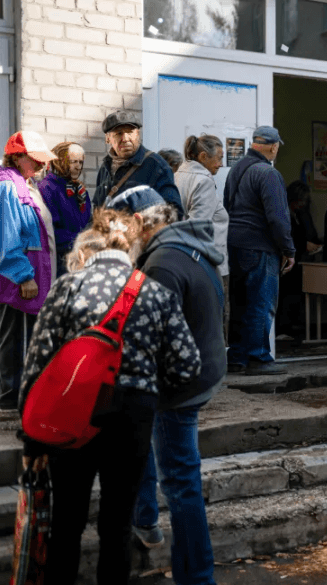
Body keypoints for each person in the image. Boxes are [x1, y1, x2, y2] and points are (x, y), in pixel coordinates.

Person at [17, 206, 201, 585]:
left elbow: (36, 362)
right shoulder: (154, 292)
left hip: (72, 413)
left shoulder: (68, 287)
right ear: (132, 245)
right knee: (117, 523)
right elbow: (187, 365)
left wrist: (31, 439)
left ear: (92, 243)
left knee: (66, 521)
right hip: (133, 416)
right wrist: (148, 380)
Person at [107, 186, 224, 585]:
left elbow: (153, 341)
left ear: (139, 221)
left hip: (179, 387)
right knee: (147, 448)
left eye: (121, 228)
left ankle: (197, 576)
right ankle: (146, 521)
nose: (118, 238)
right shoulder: (187, 245)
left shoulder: (160, 264)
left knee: (181, 482)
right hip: (203, 370)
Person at [223, 126, 295, 375]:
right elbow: (278, 218)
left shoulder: (236, 170)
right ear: (274, 147)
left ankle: (237, 357)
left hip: (236, 245)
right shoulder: (268, 174)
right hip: (260, 247)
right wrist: (288, 249)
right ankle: (259, 358)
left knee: (240, 302)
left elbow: (227, 206)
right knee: (261, 303)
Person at [0, 131, 57, 410]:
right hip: (17, 280)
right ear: (17, 156)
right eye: (34, 159)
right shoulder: (7, 187)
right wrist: (23, 275)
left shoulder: (23, 184)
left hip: (27, 277)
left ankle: (17, 397)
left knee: (20, 338)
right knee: (14, 341)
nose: (40, 165)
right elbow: (7, 235)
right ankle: (9, 401)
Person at [176, 134, 230, 341]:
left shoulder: (179, 175)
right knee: (214, 318)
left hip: (185, 259)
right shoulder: (204, 181)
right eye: (218, 158)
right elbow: (200, 227)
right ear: (203, 156)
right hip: (208, 263)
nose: (221, 164)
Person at [91, 110, 184, 215]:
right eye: (118, 133)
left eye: (130, 132)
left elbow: (174, 212)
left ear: (138, 134)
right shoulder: (105, 168)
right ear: (108, 138)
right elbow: (97, 209)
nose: (125, 139)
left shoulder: (157, 166)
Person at [39, 141, 91, 278]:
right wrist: (82, 241)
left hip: (82, 261)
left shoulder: (80, 191)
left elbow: (88, 223)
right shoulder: (47, 188)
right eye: (73, 161)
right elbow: (50, 230)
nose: (78, 167)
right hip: (60, 263)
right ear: (60, 161)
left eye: (81, 162)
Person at [278, 180, 321, 339]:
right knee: (286, 295)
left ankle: (287, 326)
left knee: (292, 295)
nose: (304, 204)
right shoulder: (286, 215)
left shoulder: (294, 214)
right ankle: (283, 329)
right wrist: (304, 245)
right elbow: (288, 237)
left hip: (293, 263)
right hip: (286, 263)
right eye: (302, 200)